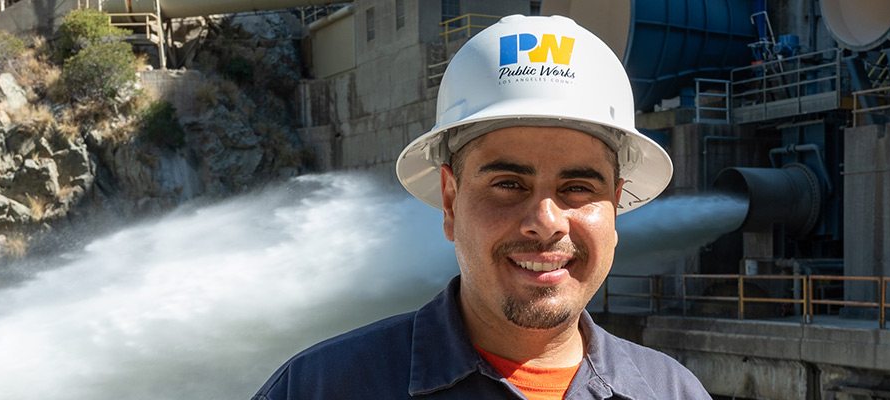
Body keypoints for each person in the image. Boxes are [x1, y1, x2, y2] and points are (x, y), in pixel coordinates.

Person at [252, 14, 707, 400]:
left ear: (615, 205)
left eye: (578, 188)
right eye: (508, 184)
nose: (546, 222)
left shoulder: (672, 392)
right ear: (450, 201)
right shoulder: (321, 387)